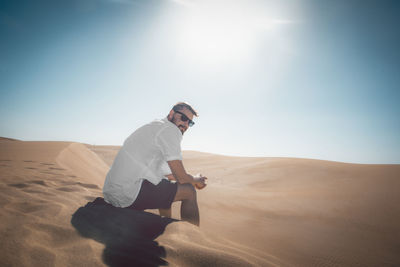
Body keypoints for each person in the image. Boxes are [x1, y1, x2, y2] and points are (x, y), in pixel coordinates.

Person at [103, 102, 207, 226]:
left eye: (190, 123)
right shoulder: (171, 130)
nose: (185, 124)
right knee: (189, 191)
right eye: (184, 118)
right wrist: (196, 180)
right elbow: (181, 177)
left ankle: (163, 225)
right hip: (127, 194)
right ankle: (191, 238)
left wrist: (192, 178)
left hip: (112, 192)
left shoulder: (156, 126)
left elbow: (170, 175)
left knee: (165, 184)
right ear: (171, 113)